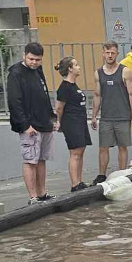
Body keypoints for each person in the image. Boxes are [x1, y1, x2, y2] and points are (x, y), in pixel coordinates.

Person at [6, 42, 57, 205]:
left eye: (38, 60)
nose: (34, 62)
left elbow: (44, 93)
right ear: (24, 55)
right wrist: (25, 125)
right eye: (31, 59)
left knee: (41, 159)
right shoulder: (16, 73)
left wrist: (51, 118)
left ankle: (42, 193)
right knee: (30, 160)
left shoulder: (38, 70)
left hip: (44, 122)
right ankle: (33, 197)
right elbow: (15, 101)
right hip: (30, 125)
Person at [91, 41, 132, 184]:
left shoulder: (125, 71)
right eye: (107, 52)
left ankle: (122, 174)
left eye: (113, 52)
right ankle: (101, 175)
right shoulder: (98, 73)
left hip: (123, 116)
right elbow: (97, 95)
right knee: (103, 147)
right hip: (106, 116)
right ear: (103, 53)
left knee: (122, 147)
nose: (110, 55)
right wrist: (94, 116)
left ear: (117, 53)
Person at [54, 56, 92, 192]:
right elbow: (59, 108)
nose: (79, 67)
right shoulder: (64, 87)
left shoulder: (74, 85)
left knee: (81, 151)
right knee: (75, 153)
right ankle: (74, 184)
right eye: (76, 65)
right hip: (71, 122)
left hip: (80, 121)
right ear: (70, 69)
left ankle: (79, 181)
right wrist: (58, 122)